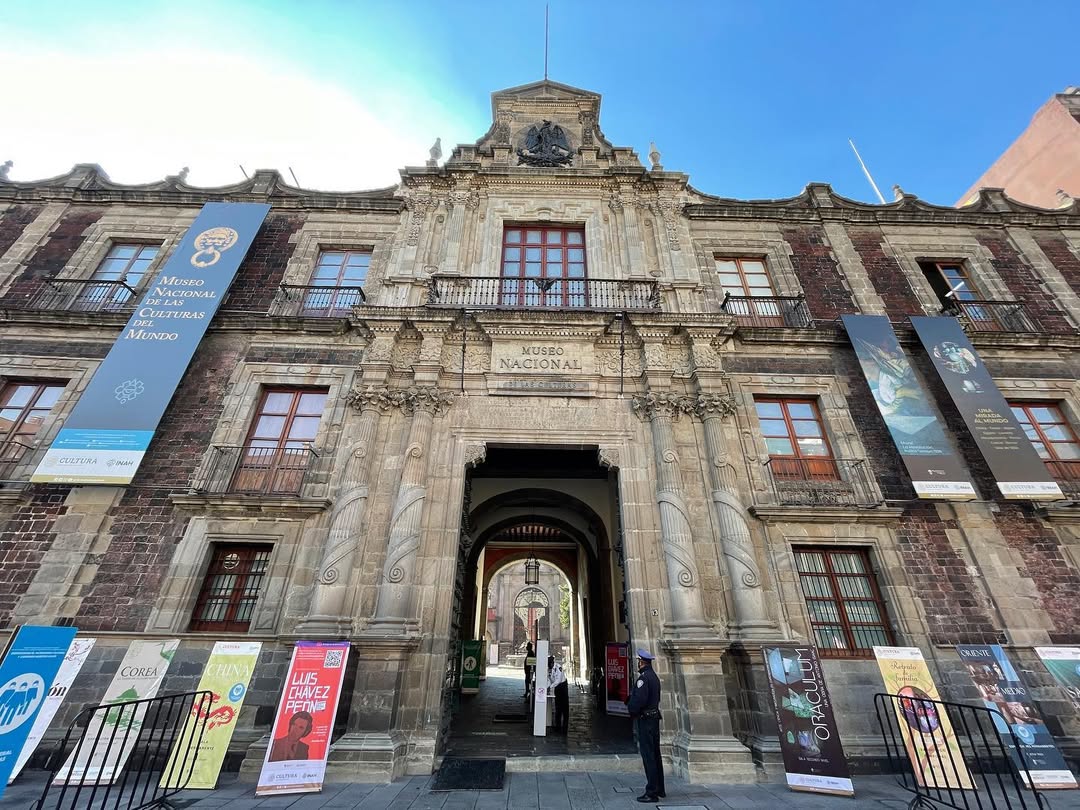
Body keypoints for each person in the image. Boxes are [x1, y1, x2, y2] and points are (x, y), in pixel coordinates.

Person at [626, 648, 664, 803]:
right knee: (656, 755)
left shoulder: (643, 679)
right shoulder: (654, 677)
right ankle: (660, 788)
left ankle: (652, 792)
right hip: (653, 719)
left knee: (649, 756)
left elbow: (639, 701)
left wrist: (631, 708)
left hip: (646, 721)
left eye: (638, 661)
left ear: (641, 662)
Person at [548, 655, 569, 733]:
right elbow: (550, 679)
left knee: (565, 707)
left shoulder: (558, 667)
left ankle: (565, 726)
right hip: (557, 687)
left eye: (549, 664)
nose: (549, 666)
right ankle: (558, 726)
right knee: (557, 706)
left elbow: (558, 680)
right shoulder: (550, 669)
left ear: (552, 663)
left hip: (562, 686)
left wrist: (550, 687)